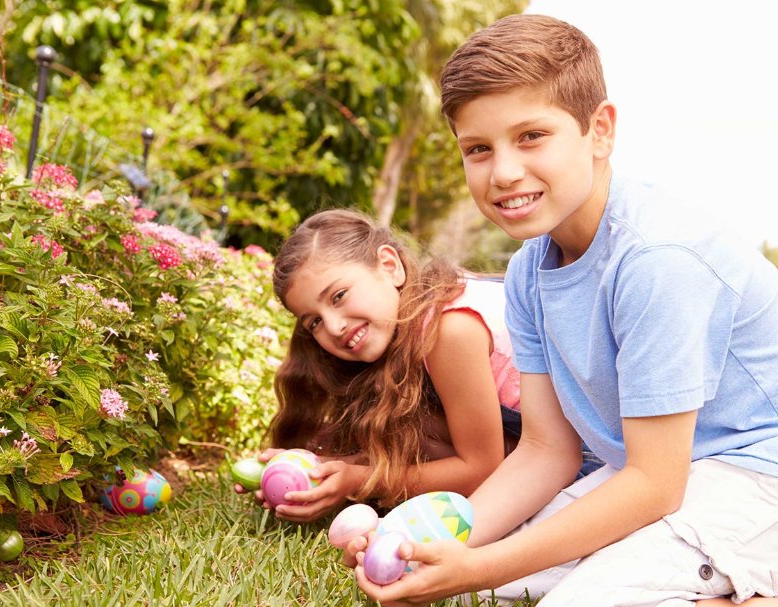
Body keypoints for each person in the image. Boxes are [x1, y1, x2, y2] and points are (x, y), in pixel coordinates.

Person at [347, 14, 778, 607]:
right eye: (478, 149)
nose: (504, 171)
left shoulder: (656, 260)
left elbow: (654, 484)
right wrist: (449, 553)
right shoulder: (527, 273)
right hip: (670, 474)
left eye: (532, 136)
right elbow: (546, 450)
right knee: (462, 588)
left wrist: (485, 563)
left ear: (600, 130)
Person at [237, 208, 602, 523]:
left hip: (592, 465)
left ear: (389, 266)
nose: (333, 326)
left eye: (339, 296)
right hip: (548, 452)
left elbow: (482, 470)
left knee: (408, 427)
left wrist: (357, 480)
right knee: (395, 424)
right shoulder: (415, 322)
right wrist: (320, 468)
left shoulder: (450, 329)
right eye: (313, 321)